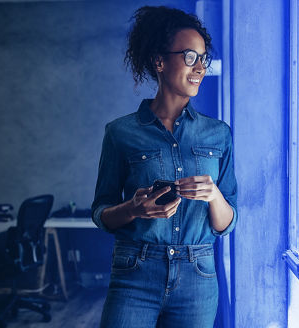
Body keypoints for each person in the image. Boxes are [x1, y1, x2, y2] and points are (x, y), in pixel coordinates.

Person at [91, 5, 238, 328]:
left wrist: (213, 195)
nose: (199, 67)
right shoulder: (120, 133)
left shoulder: (219, 134)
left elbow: (226, 224)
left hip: (198, 275)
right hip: (134, 273)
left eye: (203, 58)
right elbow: (101, 213)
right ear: (159, 61)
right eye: (189, 57)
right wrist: (133, 209)